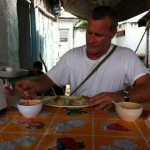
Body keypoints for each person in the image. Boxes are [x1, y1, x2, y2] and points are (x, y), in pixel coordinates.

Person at [15, 6, 150, 111]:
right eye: (89, 33)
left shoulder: (125, 56)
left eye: (98, 35)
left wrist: (121, 96)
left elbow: (147, 87)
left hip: (111, 120)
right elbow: (48, 80)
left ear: (112, 34)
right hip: (77, 118)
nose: (91, 40)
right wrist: (34, 85)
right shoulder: (72, 56)